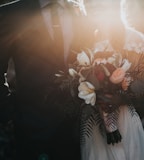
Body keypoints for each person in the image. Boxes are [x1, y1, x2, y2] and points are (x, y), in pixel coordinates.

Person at [0, 0, 92, 159]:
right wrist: (9, 113)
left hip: (77, 131)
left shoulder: (78, 11)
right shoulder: (11, 13)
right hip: (32, 128)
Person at [80, 0, 144, 160]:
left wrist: (122, 96)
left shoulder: (136, 40)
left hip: (126, 120)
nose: (92, 6)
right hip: (94, 126)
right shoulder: (82, 42)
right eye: (87, 2)